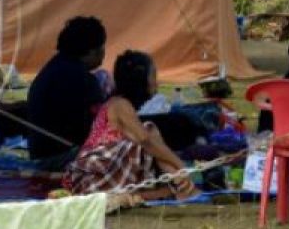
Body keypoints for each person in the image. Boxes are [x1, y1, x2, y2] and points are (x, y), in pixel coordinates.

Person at [66, 50, 200, 203]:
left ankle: (181, 187)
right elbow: (145, 140)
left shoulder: (119, 103)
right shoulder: (120, 104)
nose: (157, 82)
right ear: (141, 81)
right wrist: (180, 166)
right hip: (93, 174)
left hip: (100, 174)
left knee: (149, 135)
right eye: (153, 76)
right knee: (149, 131)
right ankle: (184, 186)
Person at [26, 16, 107, 160]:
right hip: (60, 157)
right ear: (91, 51)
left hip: (39, 154)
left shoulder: (53, 68)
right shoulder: (81, 78)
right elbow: (99, 127)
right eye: (101, 48)